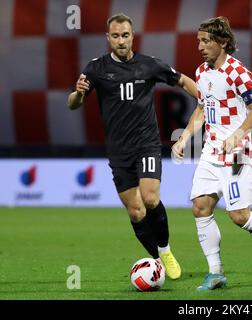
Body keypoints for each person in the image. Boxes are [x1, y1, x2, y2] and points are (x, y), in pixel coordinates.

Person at [68, 13, 197, 280]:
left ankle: (166, 250)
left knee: (150, 198)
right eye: (115, 36)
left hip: (146, 144)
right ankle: (155, 261)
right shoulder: (96, 68)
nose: (121, 41)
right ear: (108, 38)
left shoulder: (148, 65)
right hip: (118, 150)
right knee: (136, 211)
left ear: (132, 36)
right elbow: (73, 103)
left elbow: (182, 80)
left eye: (125, 35)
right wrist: (79, 93)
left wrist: (206, 98)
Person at [172, 16, 252, 290]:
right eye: (198, 41)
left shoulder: (238, 73)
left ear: (222, 41)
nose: (200, 46)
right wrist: (185, 138)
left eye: (206, 41)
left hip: (237, 154)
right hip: (211, 153)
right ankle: (216, 273)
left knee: (238, 216)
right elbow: (202, 109)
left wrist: (235, 136)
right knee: (200, 208)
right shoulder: (201, 72)